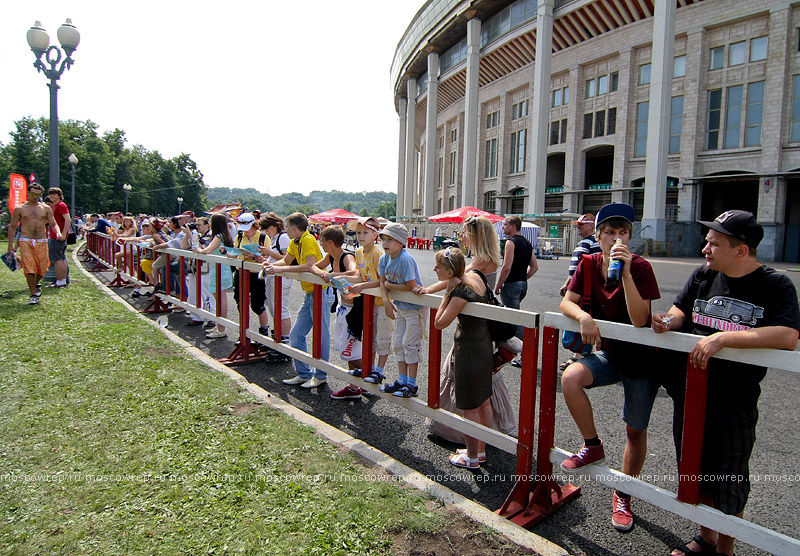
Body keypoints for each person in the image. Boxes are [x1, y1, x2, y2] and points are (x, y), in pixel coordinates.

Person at [651, 210, 800, 556]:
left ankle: (726, 549)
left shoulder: (775, 285)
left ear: (741, 250)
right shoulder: (703, 275)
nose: (705, 248)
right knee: (695, 473)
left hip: (735, 402)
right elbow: (680, 310)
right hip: (690, 396)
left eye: (714, 243)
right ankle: (707, 537)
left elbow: (788, 335)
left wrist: (724, 338)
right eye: (707, 241)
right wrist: (667, 321)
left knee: (729, 482)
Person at [558, 202, 660, 533]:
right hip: (611, 354)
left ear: (630, 236)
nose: (617, 238)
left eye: (623, 232)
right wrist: (584, 317)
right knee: (571, 378)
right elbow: (565, 302)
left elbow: (640, 319)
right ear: (598, 236)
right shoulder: (587, 263)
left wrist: (626, 273)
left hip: (643, 361)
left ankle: (624, 493)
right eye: (610, 232)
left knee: (635, 430)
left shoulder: (640, 267)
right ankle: (593, 446)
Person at [415, 215, 515, 442]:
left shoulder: (479, 262)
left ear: (475, 235)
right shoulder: (487, 258)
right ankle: (482, 441)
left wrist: (432, 290)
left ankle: (468, 441)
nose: (462, 236)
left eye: (465, 233)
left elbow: (455, 279)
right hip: (481, 328)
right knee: (484, 390)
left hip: (473, 330)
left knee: (470, 390)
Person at [429, 247, 493, 468]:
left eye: (439, 266)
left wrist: (447, 293)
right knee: (483, 401)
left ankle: (472, 457)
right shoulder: (475, 276)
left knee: (469, 405)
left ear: (449, 272)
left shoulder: (461, 291)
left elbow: (439, 323)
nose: (435, 269)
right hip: (484, 344)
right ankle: (480, 451)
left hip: (468, 350)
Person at [264, 212, 335, 389]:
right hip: (310, 293)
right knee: (296, 334)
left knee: (321, 335)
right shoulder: (296, 241)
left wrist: (280, 269)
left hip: (321, 293)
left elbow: (310, 266)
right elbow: (286, 260)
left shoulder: (307, 239)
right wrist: (271, 265)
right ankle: (304, 373)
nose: (285, 229)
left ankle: (320, 375)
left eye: (287, 226)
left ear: (294, 228)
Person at [311, 225, 363, 399]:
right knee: (346, 350)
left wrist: (333, 274)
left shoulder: (346, 256)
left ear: (330, 242)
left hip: (354, 309)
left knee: (353, 350)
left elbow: (355, 272)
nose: (320, 243)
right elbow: (314, 267)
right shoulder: (330, 256)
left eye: (322, 241)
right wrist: (324, 273)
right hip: (344, 306)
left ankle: (363, 383)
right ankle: (358, 384)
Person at [377, 222, 426, 398]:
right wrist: (386, 300)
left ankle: (412, 384)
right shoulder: (384, 259)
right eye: (384, 239)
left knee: (409, 344)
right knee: (398, 342)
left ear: (401, 243)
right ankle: (402, 379)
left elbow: (410, 285)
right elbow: (382, 281)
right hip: (400, 306)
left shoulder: (405, 259)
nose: (385, 243)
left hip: (415, 309)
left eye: (391, 240)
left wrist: (390, 285)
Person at [345, 217, 393, 389]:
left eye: (365, 232)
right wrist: (340, 277)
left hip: (381, 301)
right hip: (368, 301)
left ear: (375, 235)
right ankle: (369, 368)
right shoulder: (358, 252)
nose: (361, 236)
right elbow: (360, 275)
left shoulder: (378, 254)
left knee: (383, 337)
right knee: (369, 337)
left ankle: (379, 370)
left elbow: (381, 280)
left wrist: (362, 286)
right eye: (358, 233)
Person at [558, 213, 602, 370]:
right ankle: (579, 353)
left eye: (581, 225)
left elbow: (590, 269)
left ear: (592, 226)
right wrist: (568, 283)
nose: (578, 227)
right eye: (577, 225)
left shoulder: (593, 243)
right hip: (579, 288)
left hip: (586, 291)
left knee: (583, 318)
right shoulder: (585, 242)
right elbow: (576, 270)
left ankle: (582, 354)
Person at [7, 182, 62, 304]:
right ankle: (33, 294)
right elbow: (12, 227)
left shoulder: (45, 208)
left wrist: (57, 232)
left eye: (37, 194)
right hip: (25, 240)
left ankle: (36, 284)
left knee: (43, 268)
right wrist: (10, 246)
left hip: (41, 240)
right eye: (32, 194)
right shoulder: (20, 209)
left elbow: (53, 223)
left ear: (41, 195)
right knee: (29, 268)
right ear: (28, 193)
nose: (34, 196)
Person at [495, 215, 538, 339]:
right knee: (514, 314)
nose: (503, 227)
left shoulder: (510, 242)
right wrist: (523, 278)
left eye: (505, 224)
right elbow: (534, 267)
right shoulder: (527, 243)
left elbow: (506, 267)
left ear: (513, 226)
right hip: (522, 285)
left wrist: (498, 285)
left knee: (514, 319)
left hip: (511, 284)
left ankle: (525, 351)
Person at [193, 213, 234, 339]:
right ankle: (219, 326)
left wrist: (198, 250)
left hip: (219, 269)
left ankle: (221, 328)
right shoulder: (225, 235)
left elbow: (207, 250)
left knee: (220, 300)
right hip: (220, 269)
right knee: (220, 299)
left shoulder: (218, 236)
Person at [231, 212, 271, 340]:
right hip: (241, 271)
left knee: (257, 303)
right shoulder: (239, 236)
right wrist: (229, 251)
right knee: (239, 301)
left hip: (256, 274)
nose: (245, 232)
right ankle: (243, 331)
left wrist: (257, 257)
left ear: (254, 226)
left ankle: (264, 330)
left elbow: (267, 257)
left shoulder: (263, 237)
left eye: (247, 229)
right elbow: (233, 253)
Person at [257, 212, 292, 344]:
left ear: (275, 225)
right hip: (274, 276)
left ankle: (284, 340)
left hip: (282, 278)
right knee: (274, 308)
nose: (266, 231)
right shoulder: (275, 238)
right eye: (263, 228)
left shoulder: (282, 238)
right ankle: (279, 337)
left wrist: (269, 253)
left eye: (267, 227)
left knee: (281, 309)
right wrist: (266, 258)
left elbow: (288, 259)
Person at [181, 217, 216, 328]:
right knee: (193, 293)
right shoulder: (196, 235)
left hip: (205, 268)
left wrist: (190, 235)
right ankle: (196, 317)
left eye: (199, 225)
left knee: (206, 294)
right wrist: (187, 234)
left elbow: (201, 248)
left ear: (207, 225)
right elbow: (183, 246)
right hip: (193, 268)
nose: (197, 227)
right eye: (196, 225)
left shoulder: (211, 236)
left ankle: (211, 317)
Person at [45, 187, 70, 288]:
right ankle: (62, 280)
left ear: (59, 196)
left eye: (54, 194)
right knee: (61, 258)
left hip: (57, 236)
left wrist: (63, 234)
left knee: (57, 259)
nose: (52, 196)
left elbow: (68, 220)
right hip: (57, 235)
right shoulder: (56, 206)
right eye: (50, 194)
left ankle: (60, 281)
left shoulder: (60, 205)